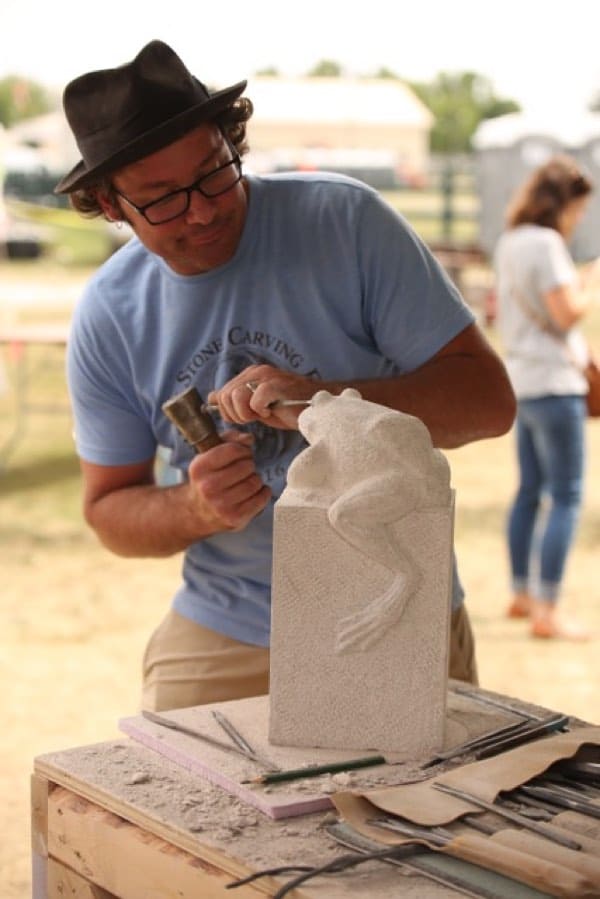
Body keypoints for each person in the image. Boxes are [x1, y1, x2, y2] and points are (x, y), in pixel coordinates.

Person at [56, 40, 516, 711]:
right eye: (162, 199)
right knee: (168, 805)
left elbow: (488, 402)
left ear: (232, 139)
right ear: (109, 203)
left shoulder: (345, 224)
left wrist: (325, 401)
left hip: (390, 603)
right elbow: (108, 511)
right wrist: (192, 507)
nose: (205, 209)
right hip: (228, 619)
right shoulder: (110, 314)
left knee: (425, 812)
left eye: (216, 172)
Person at [494, 154, 600, 640]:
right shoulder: (547, 244)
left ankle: (520, 593)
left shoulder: (510, 242)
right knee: (567, 495)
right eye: (578, 209)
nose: (578, 219)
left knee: (530, 491)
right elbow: (565, 314)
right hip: (556, 384)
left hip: (522, 381)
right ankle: (548, 608)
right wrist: (589, 282)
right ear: (563, 203)